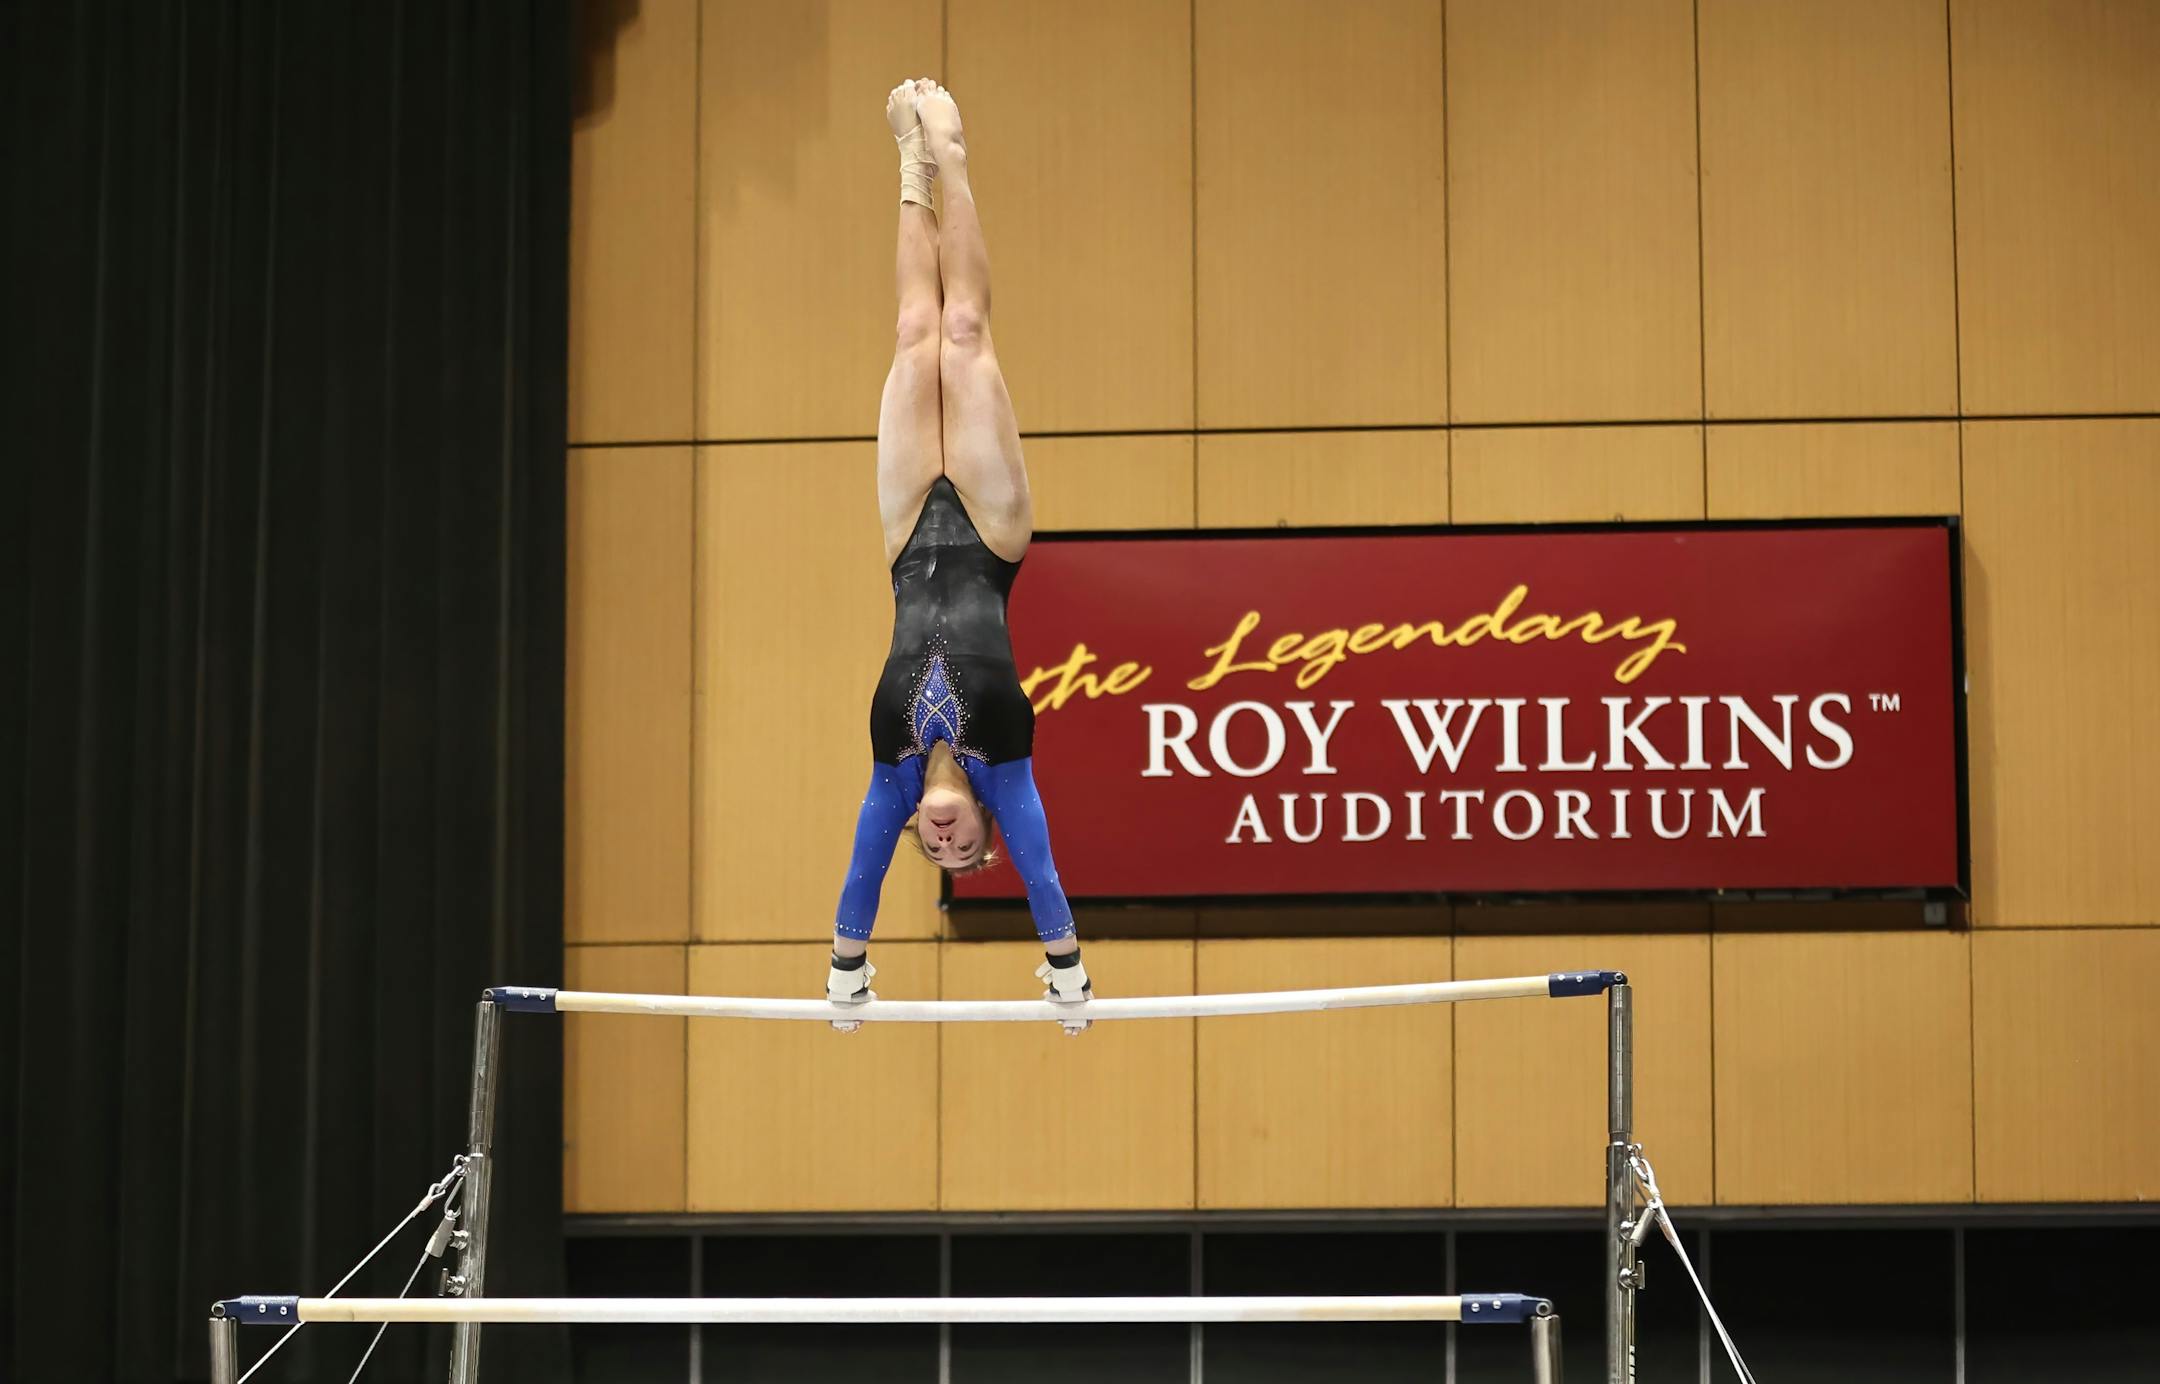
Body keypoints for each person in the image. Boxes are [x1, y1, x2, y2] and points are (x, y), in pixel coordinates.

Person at [826, 79, 1091, 1034]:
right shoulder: (1006, 767)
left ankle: (910, 169)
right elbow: (1044, 873)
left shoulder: (892, 778)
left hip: (906, 539)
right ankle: (953, 157)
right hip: (988, 534)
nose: (943, 840)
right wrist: (1067, 977)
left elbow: (862, 874)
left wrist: (846, 977)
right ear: (985, 827)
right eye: (963, 847)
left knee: (913, 336)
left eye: (932, 851)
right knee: (964, 334)